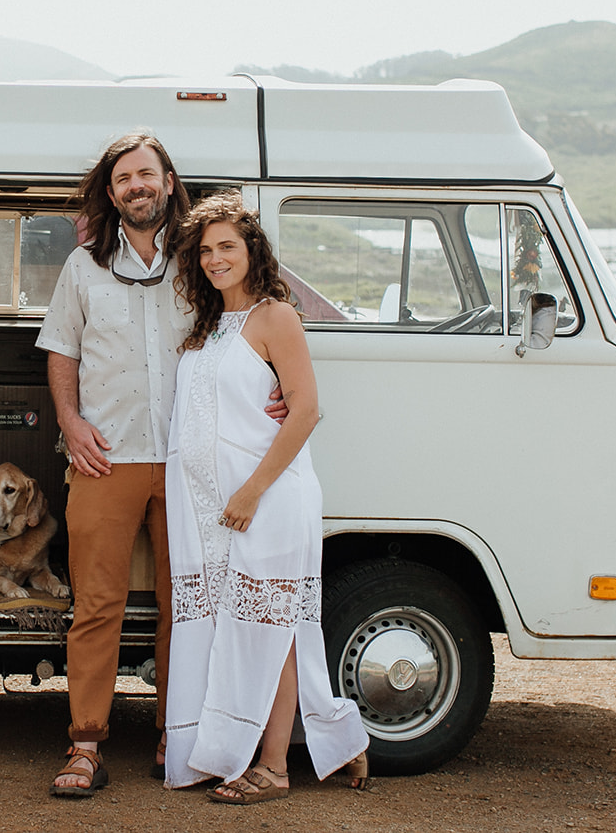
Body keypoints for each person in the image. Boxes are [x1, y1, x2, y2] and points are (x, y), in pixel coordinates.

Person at [162, 192, 369, 803]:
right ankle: (336, 744)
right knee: (246, 630)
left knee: (269, 631)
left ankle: (274, 767)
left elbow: (304, 411)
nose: (215, 259)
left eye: (227, 246)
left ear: (253, 249)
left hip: (267, 502)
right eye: (205, 251)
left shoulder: (276, 315)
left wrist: (252, 491)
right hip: (211, 512)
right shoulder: (209, 325)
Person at [35, 132, 191, 797]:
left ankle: (176, 734)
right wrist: (70, 423)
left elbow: (253, 325)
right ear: (111, 192)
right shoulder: (84, 267)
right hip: (107, 461)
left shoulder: (201, 258)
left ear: (168, 181)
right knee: (97, 604)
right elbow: (61, 349)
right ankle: (85, 744)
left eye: (146, 174)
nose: (136, 185)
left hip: (190, 462)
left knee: (186, 607)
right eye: (123, 178)